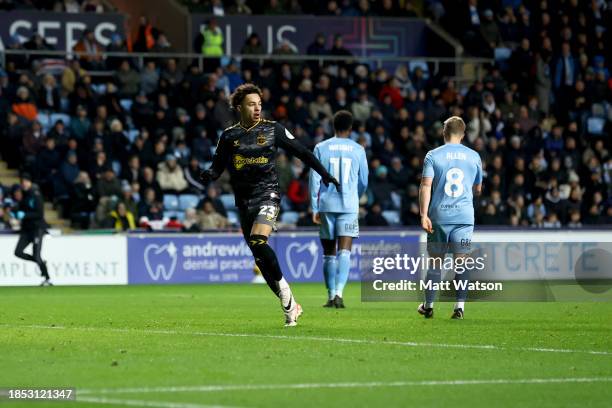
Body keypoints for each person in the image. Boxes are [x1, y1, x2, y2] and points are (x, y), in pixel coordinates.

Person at [199, 83, 340, 327]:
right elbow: (217, 167)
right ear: (239, 107)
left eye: (259, 104)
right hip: (243, 202)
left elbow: (303, 152)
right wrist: (208, 174)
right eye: (251, 104)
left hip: (268, 194)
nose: (257, 108)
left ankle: (286, 296)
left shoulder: (273, 129)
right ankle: (290, 304)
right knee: (260, 258)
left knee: (258, 240)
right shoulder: (229, 136)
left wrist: (324, 174)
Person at [418, 116, 482, 319]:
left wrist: (423, 214)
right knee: (461, 262)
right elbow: (478, 188)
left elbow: (426, 185)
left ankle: (428, 306)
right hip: (464, 217)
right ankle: (459, 308)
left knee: (436, 262)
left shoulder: (433, 155)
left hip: (440, 216)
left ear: (443, 133)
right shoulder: (474, 156)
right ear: (463, 135)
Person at [309, 110, 368, 308]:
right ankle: (340, 294)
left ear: (333, 127)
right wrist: (355, 196)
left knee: (328, 252)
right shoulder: (358, 149)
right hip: (349, 205)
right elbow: (364, 180)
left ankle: (331, 294)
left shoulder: (321, 147)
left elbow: (314, 179)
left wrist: (314, 206)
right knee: (345, 251)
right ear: (351, 129)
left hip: (326, 205)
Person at [13, 173, 51, 286]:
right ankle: (41, 263)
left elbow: (39, 214)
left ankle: (47, 278)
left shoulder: (36, 194)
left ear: (29, 182)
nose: (24, 183)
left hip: (37, 229)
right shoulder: (24, 195)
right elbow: (20, 208)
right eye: (22, 181)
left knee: (36, 254)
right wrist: (15, 212)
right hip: (26, 229)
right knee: (18, 252)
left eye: (25, 181)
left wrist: (24, 215)